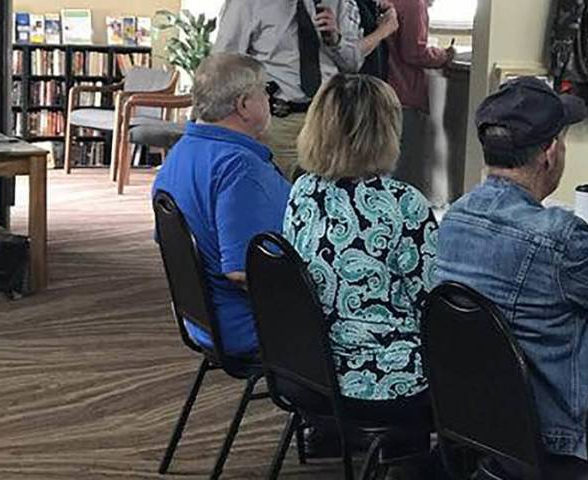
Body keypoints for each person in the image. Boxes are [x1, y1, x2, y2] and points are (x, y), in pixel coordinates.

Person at [435, 77, 588, 478]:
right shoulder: (558, 236)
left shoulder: (455, 219)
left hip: (482, 424)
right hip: (561, 436)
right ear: (550, 153)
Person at [283, 73, 438, 417]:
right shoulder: (403, 203)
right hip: (387, 381)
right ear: (385, 131)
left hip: (311, 367)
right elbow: (433, 305)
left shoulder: (302, 190)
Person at [152, 53, 291, 356]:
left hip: (201, 319)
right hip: (248, 326)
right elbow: (243, 272)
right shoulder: (239, 167)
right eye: (265, 91)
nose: (270, 100)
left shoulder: (180, 153)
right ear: (243, 105)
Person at [214, 0, 398, 180]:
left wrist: (336, 41)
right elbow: (225, 65)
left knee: (330, 193)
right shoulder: (246, 4)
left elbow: (353, 63)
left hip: (331, 120)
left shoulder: (337, 3)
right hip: (279, 122)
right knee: (280, 194)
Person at [385, 0, 455, 195]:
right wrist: (444, 55)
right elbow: (414, 52)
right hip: (404, 96)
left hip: (379, 93)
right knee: (404, 174)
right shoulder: (414, 4)